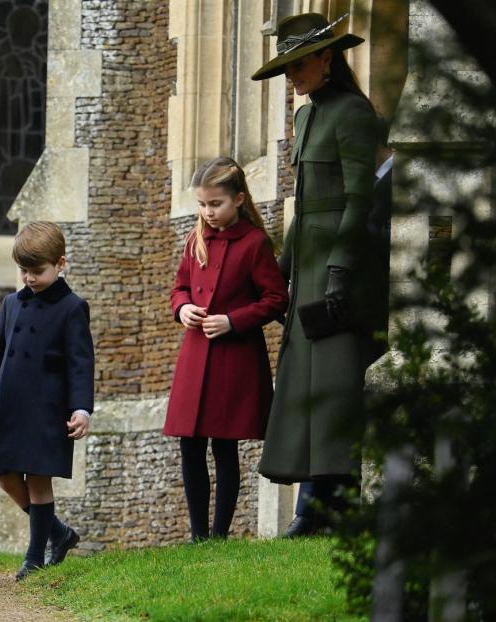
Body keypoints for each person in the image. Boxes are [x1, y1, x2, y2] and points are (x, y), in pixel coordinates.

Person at [251, 13, 381, 536]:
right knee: (305, 389)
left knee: (335, 387)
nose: (291, 76)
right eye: (285, 67)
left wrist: (339, 271)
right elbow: (304, 208)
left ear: (327, 57)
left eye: (298, 64)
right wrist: (277, 272)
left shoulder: (353, 112)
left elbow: (358, 199)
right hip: (306, 269)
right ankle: (313, 505)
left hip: (340, 272)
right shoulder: (305, 118)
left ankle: (333, 505)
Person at [163, 158, 289, 542]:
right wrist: (182, 308)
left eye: (214, 204)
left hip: (234, 358)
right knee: (190, 444)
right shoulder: (194, 238)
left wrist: (233, 320)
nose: (207, 212)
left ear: (238, 199)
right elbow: (179, 288)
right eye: (202, 204)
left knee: (224, 446)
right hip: (195, 353)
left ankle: (219, 534)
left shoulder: (254, 244)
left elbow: (275, 298)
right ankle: (198, 535)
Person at [0, 221, 94, 581]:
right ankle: (59, 533)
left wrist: (81, 408)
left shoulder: (73, 308)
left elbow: (81, 363)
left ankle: (34, 556)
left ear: (60, 264)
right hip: (7, 407)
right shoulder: (11, 304)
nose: (28, 278)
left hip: (47, 410)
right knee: (6, 477)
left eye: (37, 271)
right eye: (23, 270)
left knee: (39, 481)